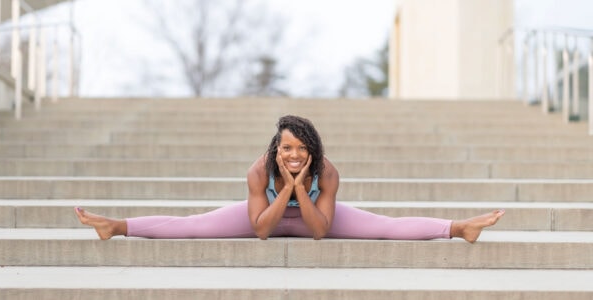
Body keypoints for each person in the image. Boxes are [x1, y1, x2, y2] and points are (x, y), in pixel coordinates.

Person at [75, 115, 504, 243]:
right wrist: (283, 189)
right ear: (275, 149)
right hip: (269, 216)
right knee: (192, 224)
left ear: (313, 151)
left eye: (302, 148)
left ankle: (458, 228)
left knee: (385, 226)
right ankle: (115, 226)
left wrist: (300, 187)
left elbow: (319, 232)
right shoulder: (258, 172)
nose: (294, 154)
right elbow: (262, 230)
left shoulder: (328, 173)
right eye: (287, 148)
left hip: (311, 216)